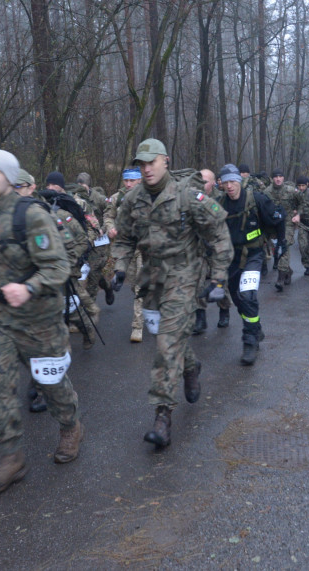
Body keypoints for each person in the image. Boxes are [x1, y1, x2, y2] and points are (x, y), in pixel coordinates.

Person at [0, 150, 82, 495]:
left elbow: (59, 267)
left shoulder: (30, 216)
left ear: (10, 178)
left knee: (50, 384)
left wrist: (29, 287)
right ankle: (10, 456)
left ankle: (70, 425)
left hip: (39, 318)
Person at [110, 139, 232, 447]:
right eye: (142, 163)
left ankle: (162, 416)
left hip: (184, 275)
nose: (147, 168)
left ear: (166, 161)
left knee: (165, 345)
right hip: (153, 277)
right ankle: (191, 365)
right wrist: (121, 267)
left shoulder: (188, 196)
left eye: (152, 162)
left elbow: (218, 233)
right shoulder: (133, 199)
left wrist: (218, 278)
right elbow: (124, 237)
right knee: (168, 336)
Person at [217, 164, 285, 365]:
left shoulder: (257, 199)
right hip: (231, 259)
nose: (229, 186)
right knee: (238, 300)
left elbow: (278, 217)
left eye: (232, 181)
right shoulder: (218, 204)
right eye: (225, 182)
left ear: (239, 181)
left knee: (247, 295)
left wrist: (282, 243)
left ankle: (249, 342)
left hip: (254, 256)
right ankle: (256, 328)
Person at [45, 172, 99, 342]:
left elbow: (89, 228)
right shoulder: (42, 207)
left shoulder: (73, 205)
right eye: (49, 185)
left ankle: (87, 321)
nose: (51, 188)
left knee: (72, 294)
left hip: (72, 257)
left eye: (54, 185)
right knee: (67, 296)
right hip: (51, 264)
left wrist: (75, 256)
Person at [105, 168, 146, 342]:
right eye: (126, 181)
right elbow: (108, 215)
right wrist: (110, 228)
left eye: (132, 181)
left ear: (140, 180)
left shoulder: (148, 196)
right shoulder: (117, 198)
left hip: (145, 248)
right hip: (126, 249)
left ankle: (137, 327)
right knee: (133, 284)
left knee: (140, 287)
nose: (128, 184)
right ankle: (150, 305)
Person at [191, 168, 233, 333]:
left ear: (215, 183)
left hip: (217, 250)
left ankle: (224, 310)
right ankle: (200, 318)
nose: (201, 184)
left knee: (221, 283)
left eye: (205, 181)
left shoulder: (221, 199)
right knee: (197, 283)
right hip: (199, 249)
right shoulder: (193, 197)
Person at [72, 172, 113, 306]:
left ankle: (90, 309)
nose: (81, 188)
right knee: (88, 271)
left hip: (99, 240)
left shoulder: (98, 197)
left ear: (88, 185)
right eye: (79, 185)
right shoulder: (75, 197)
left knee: (93, 271)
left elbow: (110, 209)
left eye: (83, 185)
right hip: (84, 239)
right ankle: (106, 286)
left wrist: (105, 226)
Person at [264, 168, 299, 290]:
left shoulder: (291, 191)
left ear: (283, 178)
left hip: (288, 223)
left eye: (280, 176)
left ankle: (280, 278)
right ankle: (287, 271)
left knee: (284, 246)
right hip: (274, 225)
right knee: (277, 250)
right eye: (275, 177)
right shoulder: (267, 192)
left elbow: (303, 202)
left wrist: (298, 214)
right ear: (272, 178)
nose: (278, 179)